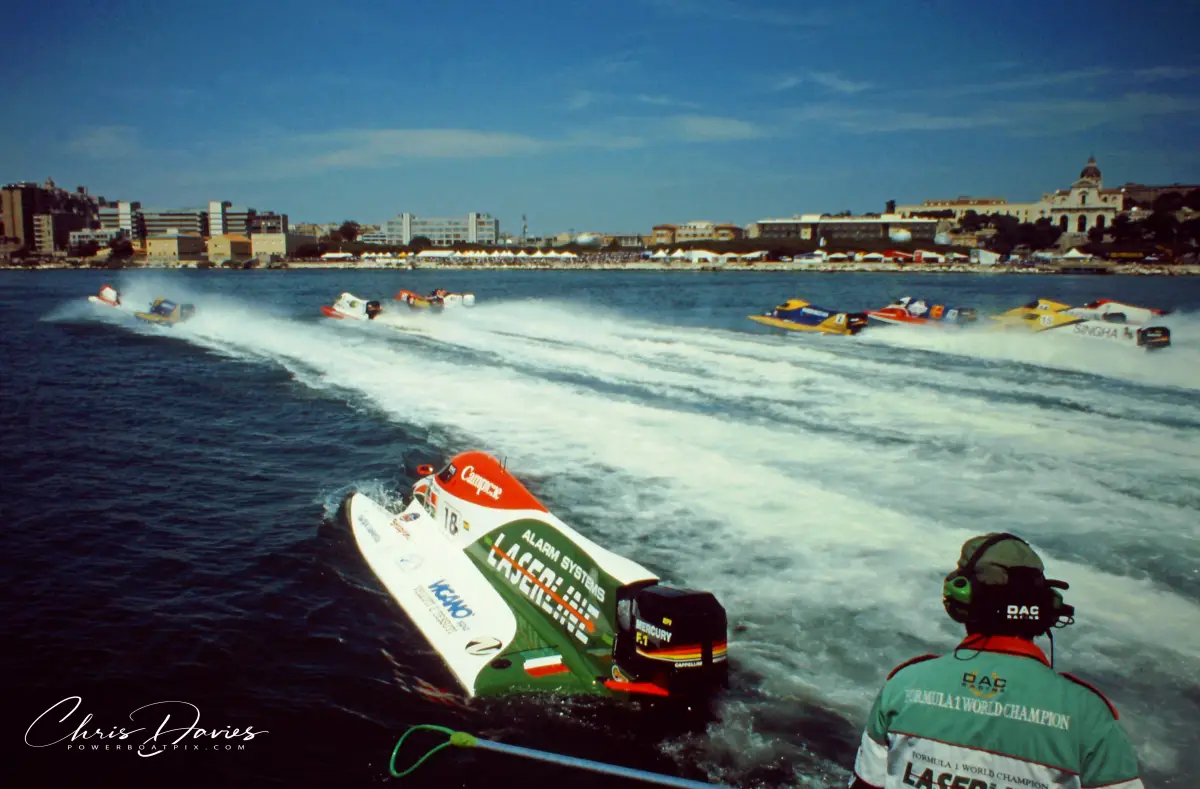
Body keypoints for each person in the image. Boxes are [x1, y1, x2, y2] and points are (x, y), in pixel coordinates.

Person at [848, 532, 1144, 789]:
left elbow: (865, 785)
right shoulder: (1089, 716)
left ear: (960, 598)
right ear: (1049, 608)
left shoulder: (903, 687)